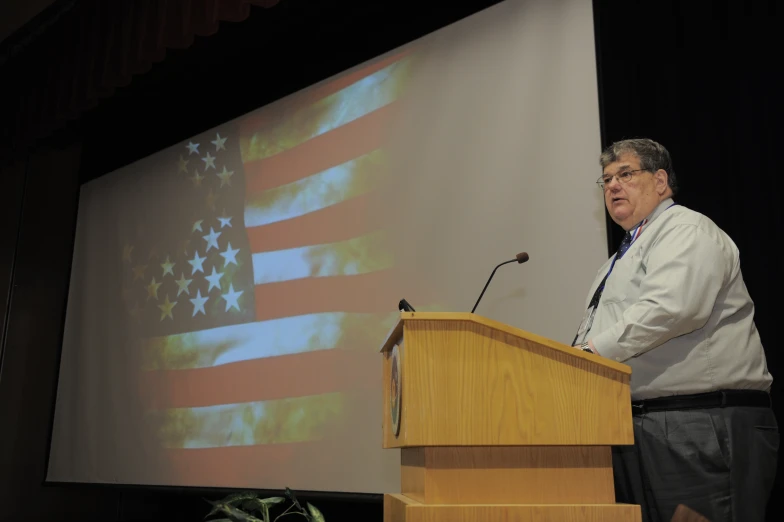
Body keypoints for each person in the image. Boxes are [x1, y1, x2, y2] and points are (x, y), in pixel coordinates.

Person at [572, 138, 778, 522]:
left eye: (626, 174)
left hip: (699, 423)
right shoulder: (618, 259)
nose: (613, 185)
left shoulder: (686, 229)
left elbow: (671, 309)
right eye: (606, 180)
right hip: (642, 425)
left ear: (661, 181)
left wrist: (590, 354)